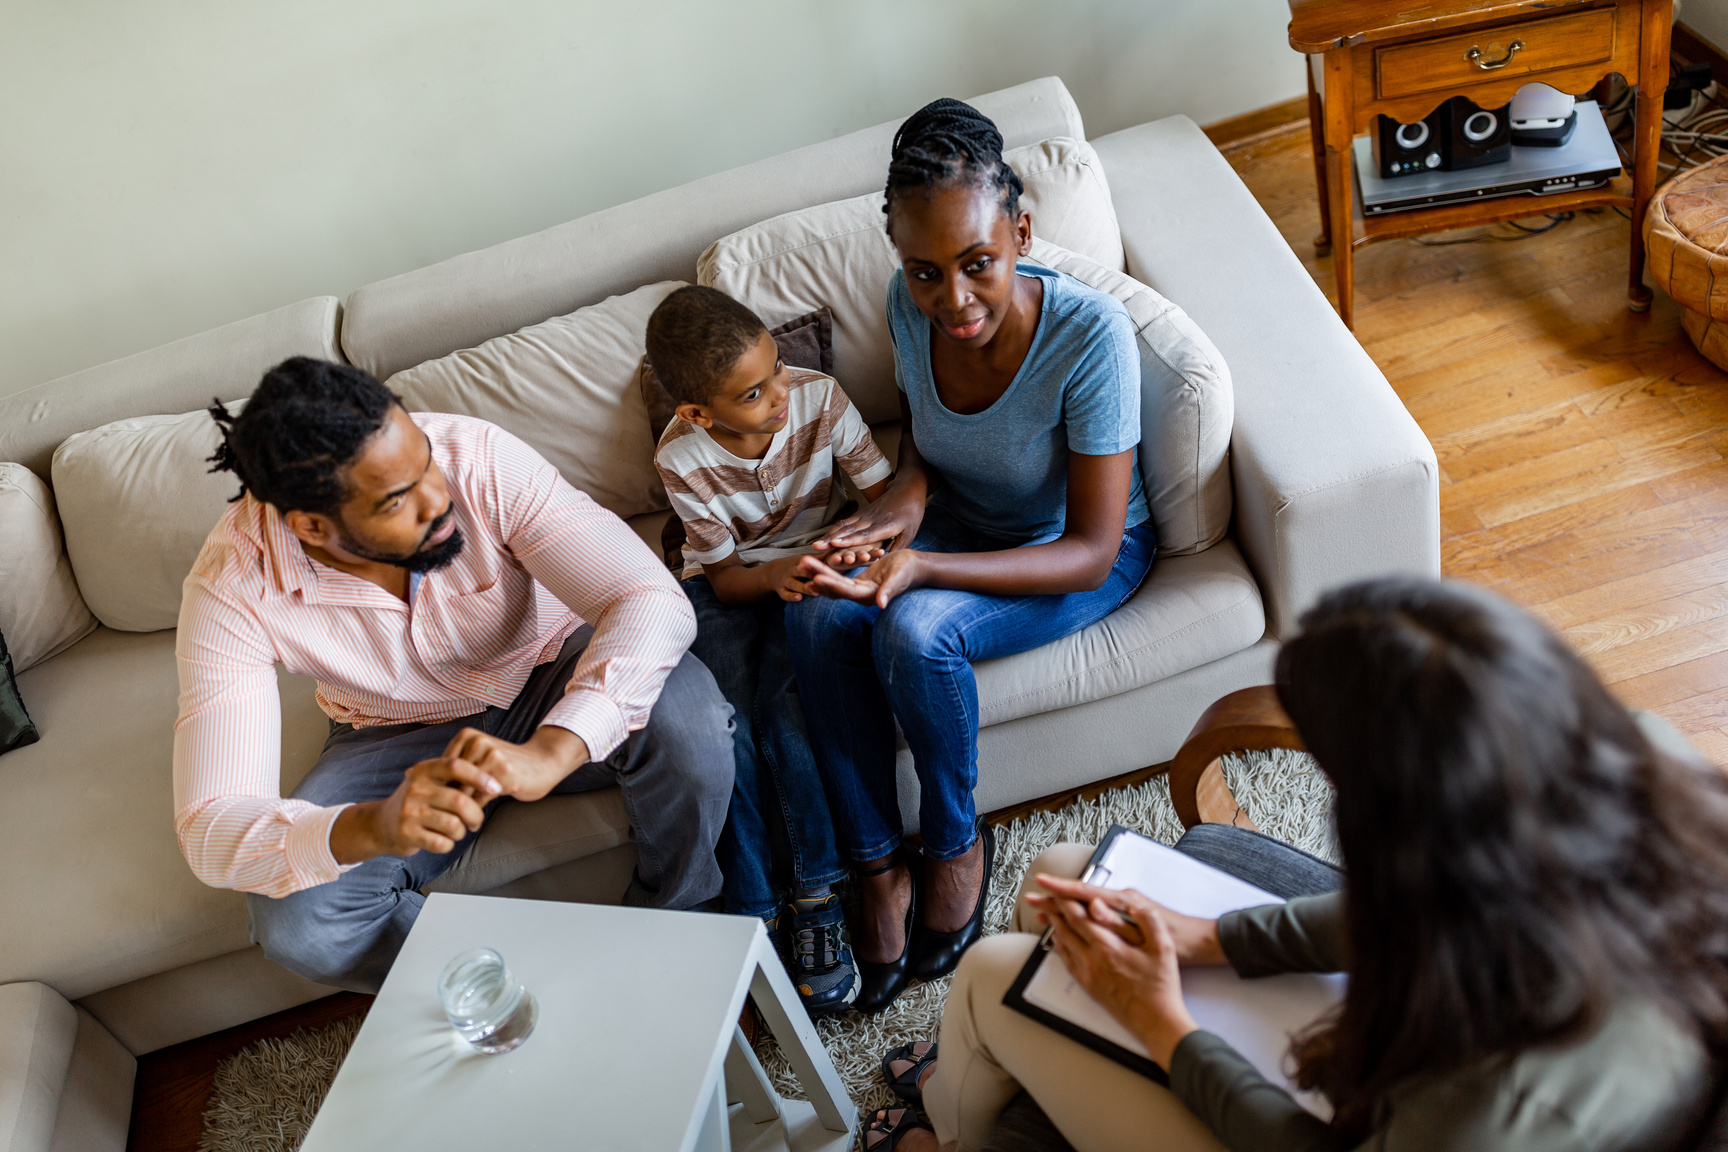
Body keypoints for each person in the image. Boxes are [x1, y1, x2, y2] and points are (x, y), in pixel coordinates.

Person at [866, 577, 1728, 1152]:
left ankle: (950, 1129)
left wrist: (1169, 1027)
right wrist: (1213, 937)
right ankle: (985, 1076)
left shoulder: (1501, 1108)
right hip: (1475, 1005)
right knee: (1066, 872)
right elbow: (1431, 905)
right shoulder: (1647, 763)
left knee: (992, 976)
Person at [173, 356, 734, 993]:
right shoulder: (230, 586)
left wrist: (555, 748)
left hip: (552, 662)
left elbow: (649, 599)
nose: (438, 498)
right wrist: (373, 826)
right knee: (299, 924)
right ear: (311, 526)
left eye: (426, 462)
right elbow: (209, 827)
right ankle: (531, 993)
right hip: (391, 729)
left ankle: (681, 926)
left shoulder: (477, 456)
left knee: (690, 724)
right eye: (396, 500)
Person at [785, 97, 1156, 1014]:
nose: (952, 299)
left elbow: (1090, 547)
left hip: (1075, 552)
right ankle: (878, 866)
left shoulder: (1091, 339)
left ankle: (953, 845)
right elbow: (923, 447)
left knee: (913, 631)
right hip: (965, 518)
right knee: (818, 605)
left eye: (977, 265)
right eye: (924, 272)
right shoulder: (905, 307)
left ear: (1022, 232)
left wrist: (924, 567)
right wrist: (896, 508)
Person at [647, 286, 893, 1015]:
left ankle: (816, 895)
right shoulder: (681, 456)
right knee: (730, 734)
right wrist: (774, 574)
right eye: (755, 393)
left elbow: (883, 500)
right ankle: (753, 913)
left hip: (817, 569)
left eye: (777, 370)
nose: (781, 394)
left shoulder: (819, 399)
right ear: (697, 412)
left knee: (791, 717)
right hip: (727, 588)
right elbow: (724, 580)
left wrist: (834, 562)